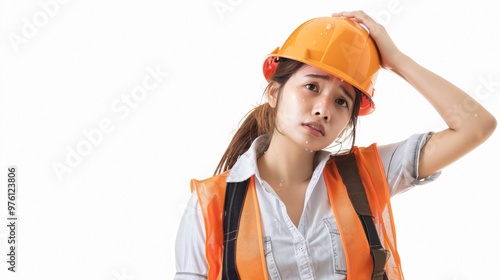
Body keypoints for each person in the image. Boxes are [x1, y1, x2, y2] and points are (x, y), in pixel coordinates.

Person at [174, 10, 496, 280]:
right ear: (274, 93)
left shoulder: (366, 177)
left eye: (342, 102)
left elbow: (476, 125)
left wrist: (396, 61)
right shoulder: (212, 206)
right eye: (311, 86)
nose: (323, 109)